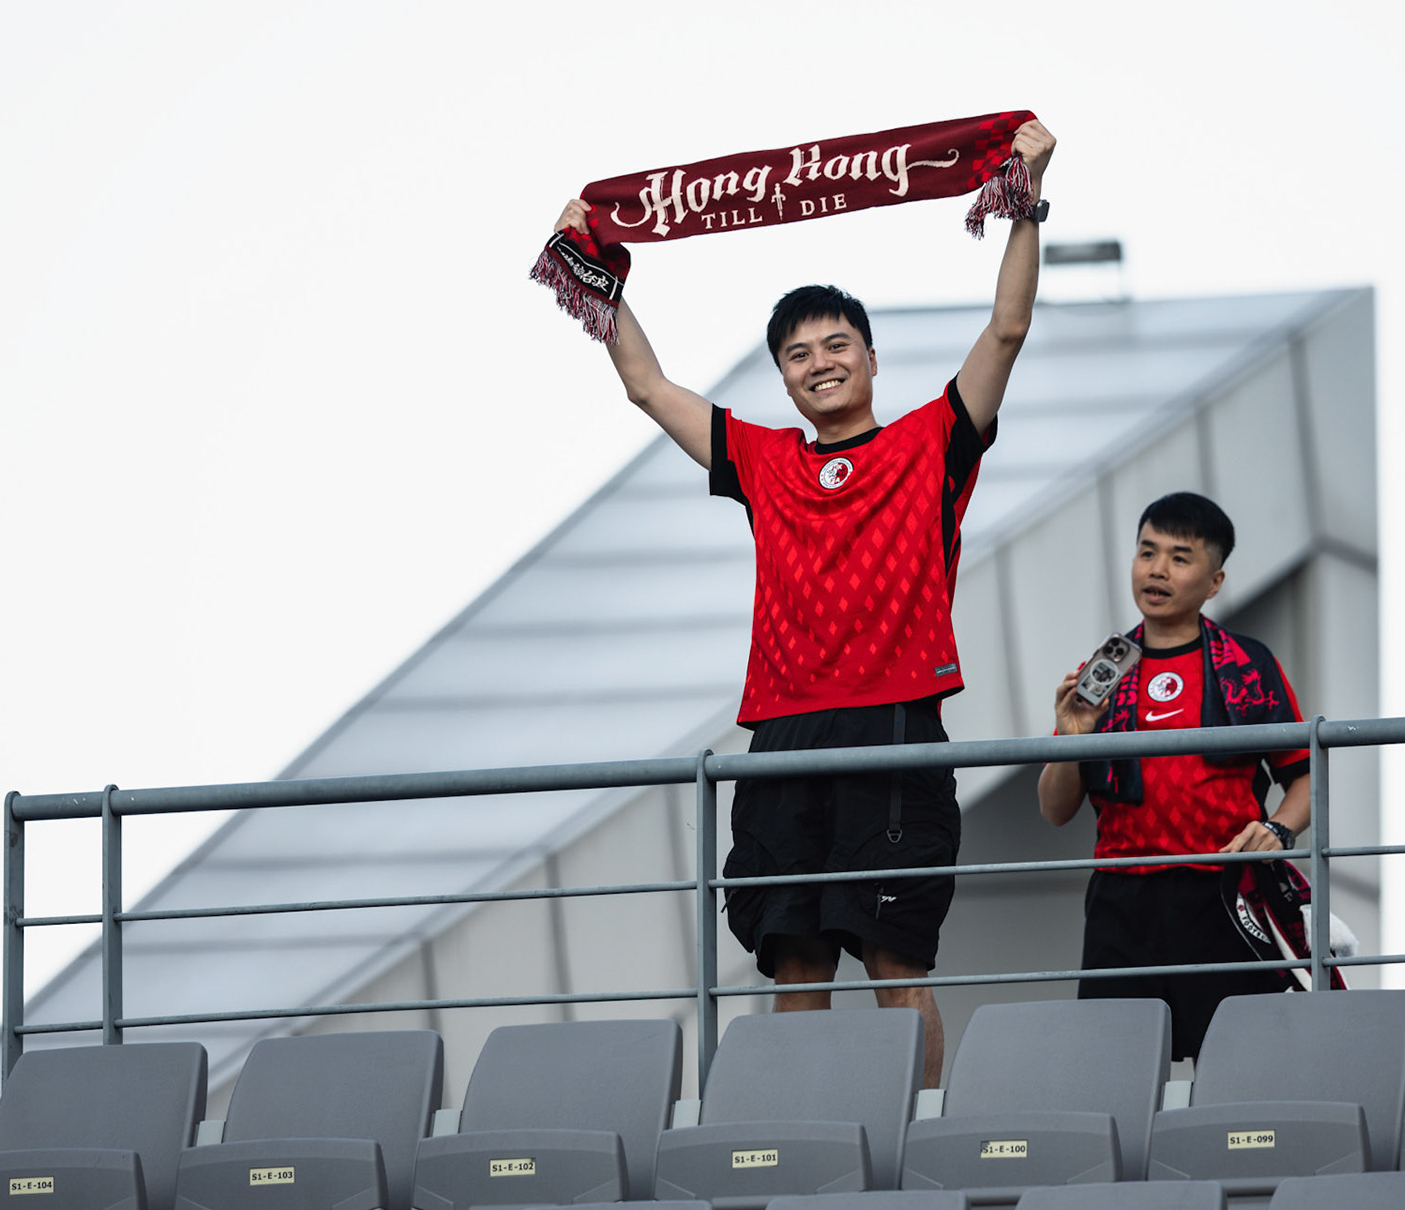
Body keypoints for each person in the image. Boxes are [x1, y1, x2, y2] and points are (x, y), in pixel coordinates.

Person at [552, 120, 1056, 1088]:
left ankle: (913, 1141)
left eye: (836, 343)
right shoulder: (766, 459)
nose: (818, 361)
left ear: (872, 358)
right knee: (794, 960)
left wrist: (1023, 199)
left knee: (894, 957)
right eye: (796, 352)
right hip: (782, 732)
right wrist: (594, 267)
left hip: (896, 720)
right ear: (781, 374)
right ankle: (801, 1144)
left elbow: (1007, 328)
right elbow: (648, 387)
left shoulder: (931, 442)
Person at [1037, 491, 1320, 1061]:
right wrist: (1072, 734)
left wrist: (1280, 833)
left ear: (1214, 581)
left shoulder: (1250, 664)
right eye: (1147, 552)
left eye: (1180, 557)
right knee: (1113, 1070)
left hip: (1225, 891)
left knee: (1241, 1066)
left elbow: (1305, 777)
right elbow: (1053, 808)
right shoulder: (1103, 670)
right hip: (1123, 898)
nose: (1157, 569)